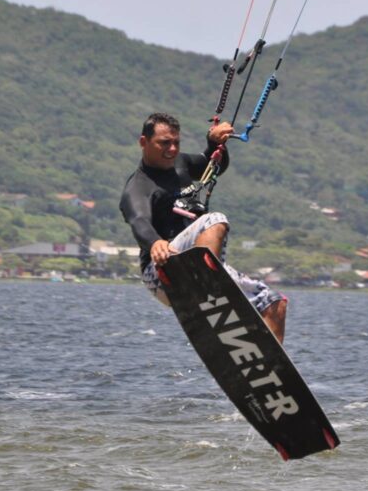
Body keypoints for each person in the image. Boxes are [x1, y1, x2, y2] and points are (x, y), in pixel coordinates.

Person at [119, 112, 287, 342]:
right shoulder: (138, 187)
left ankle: (272, 370)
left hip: (204, 270)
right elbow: (139, 221)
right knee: (214, 219)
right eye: (164, 143)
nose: (172, 149)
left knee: (273, 302)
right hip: (163, 271)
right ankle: (204, 289)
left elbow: (214, 164)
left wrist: (215, 142)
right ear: (143, 142)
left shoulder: (180, 164)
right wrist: (155, 242)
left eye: (176, 142)